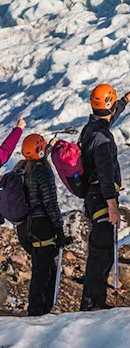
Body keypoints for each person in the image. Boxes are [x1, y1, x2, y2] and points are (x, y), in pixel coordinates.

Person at [79, 83, 130, 311]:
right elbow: (105, 171)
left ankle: (91, 300)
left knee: (99, 249)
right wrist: (112, 205)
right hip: (102, 196)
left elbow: (106, 120)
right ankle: (94, 302)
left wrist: (124, 101)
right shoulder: (102, 137)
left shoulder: (92, 129)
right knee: (102, 252)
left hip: (92, 197)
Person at [15, 133, 66, 316]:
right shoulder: (42, 172)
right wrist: (59, 229)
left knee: (42, 268)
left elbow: (37, 156)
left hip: (25, 229)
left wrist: (49, 146)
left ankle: (40, 311)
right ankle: (38, 313)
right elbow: (50, 202)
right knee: (44, 273)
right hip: (42, 227)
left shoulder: (21, 169)